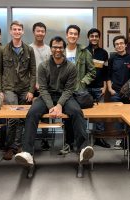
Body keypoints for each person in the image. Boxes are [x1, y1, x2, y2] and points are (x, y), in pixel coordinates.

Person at [15, 36, 94, 168]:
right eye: (54, 47)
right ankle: (27, 152)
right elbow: (43, 89)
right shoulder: (43, 66)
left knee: (76, 111)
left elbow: (69, 89)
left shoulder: (71, 67)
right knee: (32, 113)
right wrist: (52, 106)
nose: (57, 49)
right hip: (46, 96)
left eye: (60, 47)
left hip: (65, 96)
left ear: (64, 48)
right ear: (50, 48)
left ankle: (83, 149)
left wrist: (59, 105)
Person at [0, 21, 36, 160]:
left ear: (23, 32)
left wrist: (31, 90)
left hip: (25, 88)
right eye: (15, 29)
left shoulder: (29, 50)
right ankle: (10, 147)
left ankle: (19, 145)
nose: (17, 31)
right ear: (11, 32)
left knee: (24, 118)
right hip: (9, 88)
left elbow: (33, 72)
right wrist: (0, 90)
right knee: (13, 118)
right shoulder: (3, 50)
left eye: (19, 29)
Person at [64, 24, 96, 152]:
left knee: (77, 115)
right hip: (63, 91)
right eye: (70, 33)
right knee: (67, 117)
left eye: (75, 34)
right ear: (66, 35)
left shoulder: (84, 52)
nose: (72, 36)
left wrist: (83, 82)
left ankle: (80, 144)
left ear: (78, 36)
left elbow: (92, 71)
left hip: (79, 91)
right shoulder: (60, 50)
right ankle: (69, 143)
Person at [86, 28, 110, 148]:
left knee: (100, 114)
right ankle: (84, 139)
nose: (94, 38)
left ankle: (99, 138)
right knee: (83, 113)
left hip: (99, 87)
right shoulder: (83, 51)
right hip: (85, 88)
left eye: (96, 36)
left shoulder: (104, 53)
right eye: (92, 36)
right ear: (88, 37)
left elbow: (106, 72)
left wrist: (104, 87)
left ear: (99, 38)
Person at [29, 22, 51, 151]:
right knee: (33, 113)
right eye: (38, 31)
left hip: (47, 87)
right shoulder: (28, 48)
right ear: (33, 32)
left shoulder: (49, 49)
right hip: (33, 87)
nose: (40, 33)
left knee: (47, 113)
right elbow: (27, 70)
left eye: (42, 31)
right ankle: (31, 140)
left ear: (45, 33)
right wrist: (33, 86)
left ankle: (45, 139)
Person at [107, 35, 130, 103]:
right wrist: (110, 89)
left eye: (121, 43)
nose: (119, 45)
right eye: (117, 44)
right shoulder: (111, 59)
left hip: (128, 92)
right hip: (115, 92)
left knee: (128, 112)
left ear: (126, 45)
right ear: (115, 47)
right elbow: (108, 76)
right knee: (115, 112)